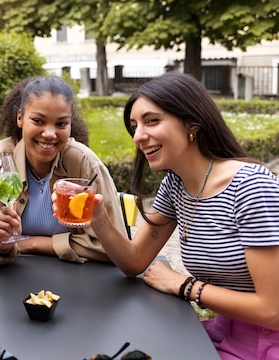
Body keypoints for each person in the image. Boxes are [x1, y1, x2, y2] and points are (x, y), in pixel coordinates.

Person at [60, 72, 279, 360]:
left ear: (192, 124)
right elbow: (134, 261)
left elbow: (272, 310)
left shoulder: (251, 186)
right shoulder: (175, 185)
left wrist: (184, 285)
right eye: (134, 126)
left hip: (265, 342)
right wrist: (98, 216)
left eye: (152, 121)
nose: (138, 136)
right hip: (221, 331)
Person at [0, 76, 127, 267]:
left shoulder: (85, 164)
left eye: (61, 124)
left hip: (77, 277)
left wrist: (33, 244)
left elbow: (116, 247)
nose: (49, 133)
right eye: (38, 121)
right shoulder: (0, 159)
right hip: (13, 278)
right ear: (20, 118)